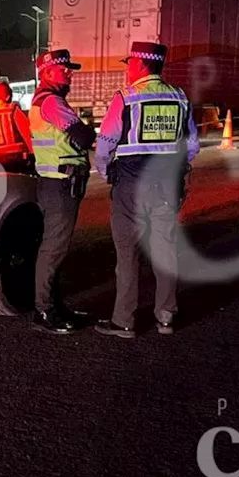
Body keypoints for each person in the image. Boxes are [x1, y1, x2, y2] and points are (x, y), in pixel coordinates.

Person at [93, 41, 199, 339]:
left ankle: (124, 321)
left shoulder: (127, 98)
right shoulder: (179, 98)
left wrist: (105, 171)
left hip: (131, 184)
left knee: (127, 254)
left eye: (130, 63)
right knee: (165, 250)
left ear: (140, 64)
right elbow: (191, 146)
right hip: (166, 183)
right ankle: (166, 317)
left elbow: (106, 144)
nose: (127, 69)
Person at [28, 49, 97, 334]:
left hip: (54, 182)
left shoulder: (43, 101)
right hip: (60, 184)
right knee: (54, 249)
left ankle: (54, 306)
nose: (69, 74)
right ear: (46, 73)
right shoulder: (52, 103)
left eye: (69, 69)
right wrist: (90, 130)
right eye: (63, 69)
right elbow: (82, 137)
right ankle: (44, 311)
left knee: (54, 248)